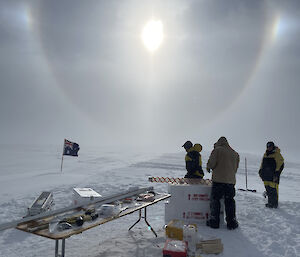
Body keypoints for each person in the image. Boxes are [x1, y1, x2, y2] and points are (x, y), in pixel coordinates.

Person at [206, 137, 240, 230]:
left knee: (215, 200)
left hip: (218, 180)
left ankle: (214, 221)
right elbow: (235, 168)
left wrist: (208, 167)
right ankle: (231, 222)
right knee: (229, 201)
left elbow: (212, 163)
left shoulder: (217, 150)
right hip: (230, 181)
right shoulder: (235, 153)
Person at [259, 141, 284, 208]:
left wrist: (277, 173)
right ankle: (270, 203)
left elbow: (281, 164)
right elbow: (262, 164)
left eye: (270, 146)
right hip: (266, 176)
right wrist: (260, 171)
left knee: (273, 190)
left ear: (273, 146)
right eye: (268, 146)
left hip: (273, 176)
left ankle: (274, 204)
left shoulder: (277, 154)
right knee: (268, 189)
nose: (269, 148)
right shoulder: (265, 154)